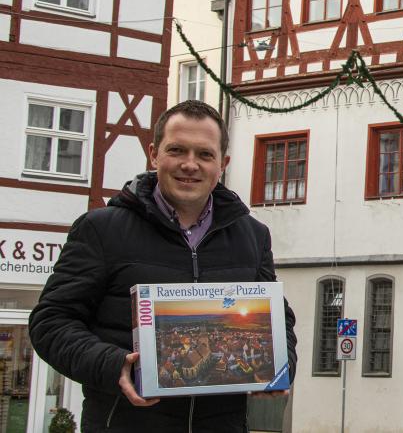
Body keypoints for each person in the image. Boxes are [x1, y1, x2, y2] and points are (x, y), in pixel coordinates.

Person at [29, 100, 298, 432]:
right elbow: (50, 322)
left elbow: (278, 317)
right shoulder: (101, 229)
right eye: (177, 150)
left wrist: (281, 366)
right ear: (154, 154)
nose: (190, 164)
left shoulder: (252, 236)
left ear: (223, 163)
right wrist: (115, 366)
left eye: (204, 154)